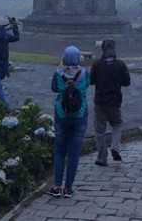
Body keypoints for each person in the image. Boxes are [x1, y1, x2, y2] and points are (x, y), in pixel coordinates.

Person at [48, 46, 89, 199]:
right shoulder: (84, 73)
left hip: (61, 114)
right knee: (74, 153)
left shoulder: (58, 73)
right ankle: (68, 188)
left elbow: (54, 88)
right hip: (80, 114)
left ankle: (57, 186)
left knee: (59, 151)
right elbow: (85, 86)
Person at [90, 39, 130, 166]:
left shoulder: (97, 64)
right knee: (117, 124)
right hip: (115, 101)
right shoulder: (120, 64)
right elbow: (126, 82)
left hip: (100, 101)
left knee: (100, 130)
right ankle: (115, 146)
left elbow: (91, 81)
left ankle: (102, 157)